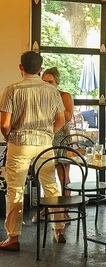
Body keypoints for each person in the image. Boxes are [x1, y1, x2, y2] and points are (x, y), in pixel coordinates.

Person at [0, 51, 66, 251]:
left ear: (21, 67)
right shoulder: (52, 91)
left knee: (16, 189)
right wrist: (47, 134)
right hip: (45, 144)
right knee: (51, 186)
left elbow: (4, 123)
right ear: (40, 69)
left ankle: (13, 237)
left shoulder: (12, 90)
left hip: (19, 143)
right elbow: (61, 120)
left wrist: (8, 137)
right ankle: (59, 229)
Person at [42, 67, 75, 196]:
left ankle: (65, 210)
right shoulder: (41, 97)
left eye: (50, 82)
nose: (47, 85)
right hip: (48, 138)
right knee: (47, 177)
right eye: (44, 82)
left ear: (57, 83)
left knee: (64, 176)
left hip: (62, 138)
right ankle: (48, 208)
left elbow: (68, 116)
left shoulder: (64, 96)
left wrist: (56, 100)